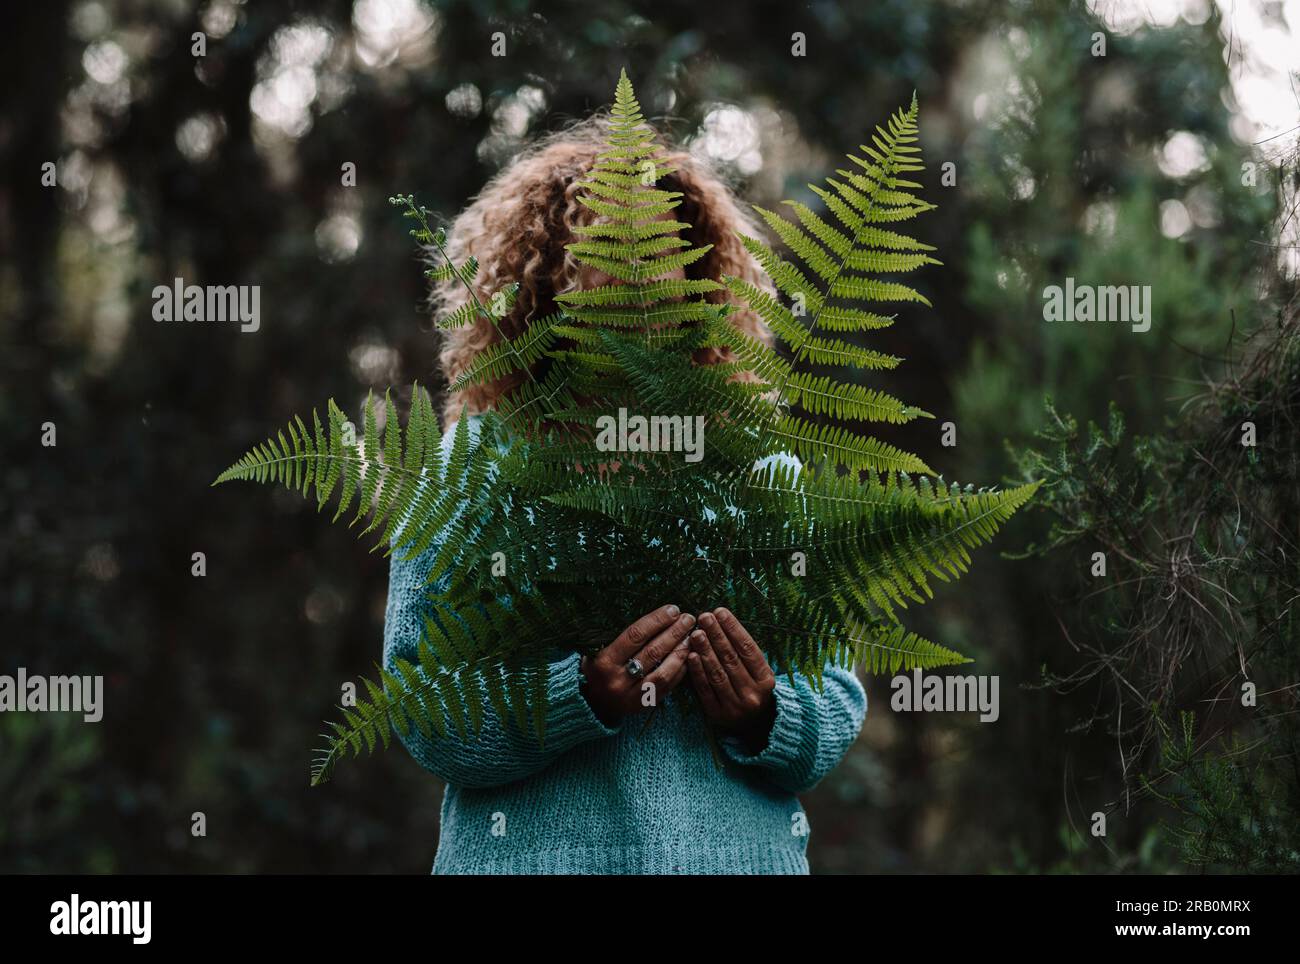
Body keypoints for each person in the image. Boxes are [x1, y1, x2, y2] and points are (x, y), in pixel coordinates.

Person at [384, 117, 866, 874]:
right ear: (544, 285)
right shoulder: (473, 463)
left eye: (668, 255)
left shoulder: (758, 467)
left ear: (703, 273)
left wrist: (768, 711)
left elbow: (835, 696)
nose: (643, 280)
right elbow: (422, 706)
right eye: (609, 255)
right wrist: (578, 695)